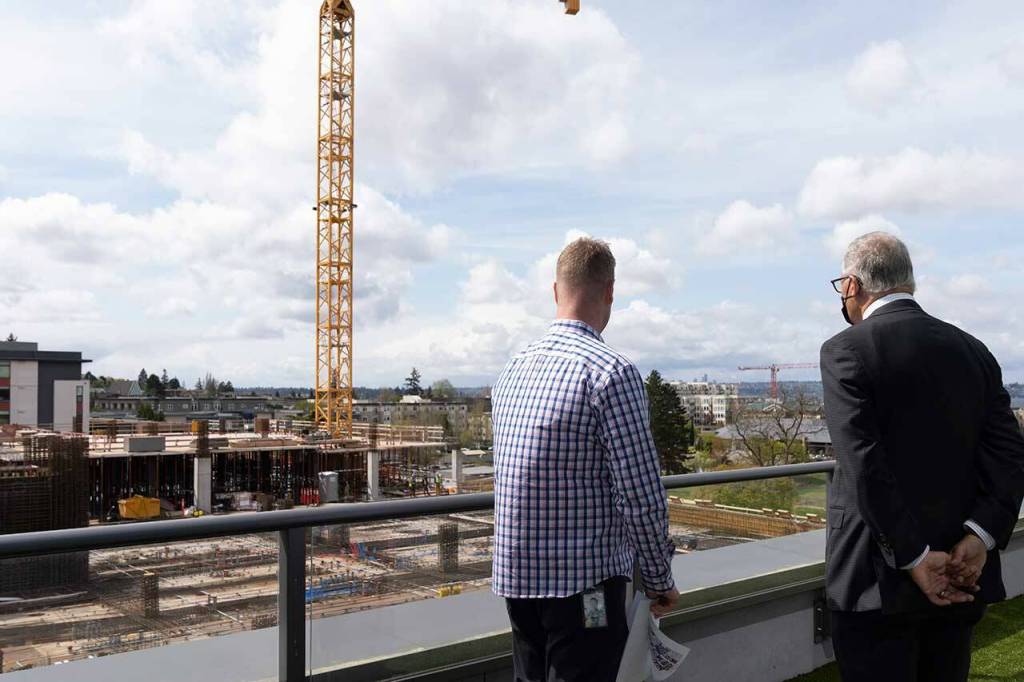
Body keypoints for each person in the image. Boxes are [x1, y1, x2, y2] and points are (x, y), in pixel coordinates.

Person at [822, 231, 1024, 682]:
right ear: (908, 282)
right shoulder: (974, 350)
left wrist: (914, 557)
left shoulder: (845, 351)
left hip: (876, 583)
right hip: (963, 572)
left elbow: (863, 465)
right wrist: (980, 538)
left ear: (852, 286)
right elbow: (1011, 456)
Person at [491, 237, 679, 682]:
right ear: (610, 292)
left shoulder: (514, 368)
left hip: (518, 580)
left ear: (555, 291)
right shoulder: (611, 372)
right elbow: (639, 493)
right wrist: (658, 577)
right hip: (584, 587)